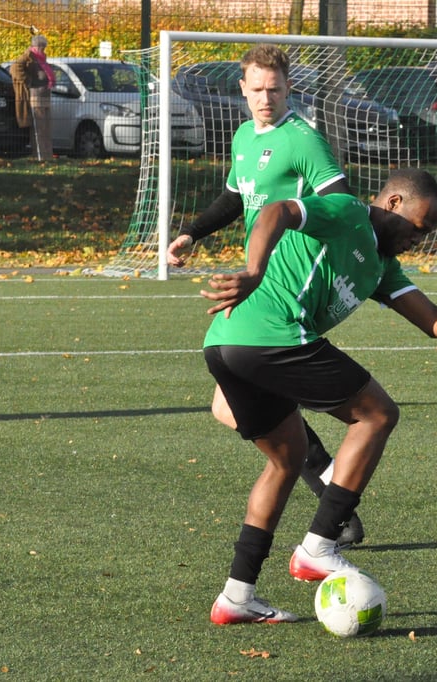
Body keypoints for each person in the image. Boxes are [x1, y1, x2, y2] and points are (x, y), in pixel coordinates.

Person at [201, 169, 437, 624]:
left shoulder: (382, 266)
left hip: (227, 345)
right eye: (421, 227)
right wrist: (254, 271)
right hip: (272, 335)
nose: (421, 239)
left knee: (288, 458)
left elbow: (435, 321)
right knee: (377, 415)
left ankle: (236, 597)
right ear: (394, 203)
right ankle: (319, 547)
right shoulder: (347, 212)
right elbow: (277, 210)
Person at [165, 44, 361, 546]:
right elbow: (237, 196)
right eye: (257, 90)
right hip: (258, 282)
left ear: (288, 88)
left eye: (275, 89)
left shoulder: (303, 141)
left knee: (239, 398)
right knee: (227, 407)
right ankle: (331, 489)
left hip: (287, 283)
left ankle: (332, 495)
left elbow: (339, 199)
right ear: (243, 90)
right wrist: (193, 232)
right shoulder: (246, 135)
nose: (266, 98)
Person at [10, 34, 55, 160]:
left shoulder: (41, 58)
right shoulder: (28, 56)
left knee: (47, 127)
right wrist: (28, 81)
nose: (44, 49)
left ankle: (48, 155)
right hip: (36, 97)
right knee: (39, 127)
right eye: (42, 47)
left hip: (45, 96)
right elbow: (14, 68)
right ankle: (40, 156)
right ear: (36, 46)